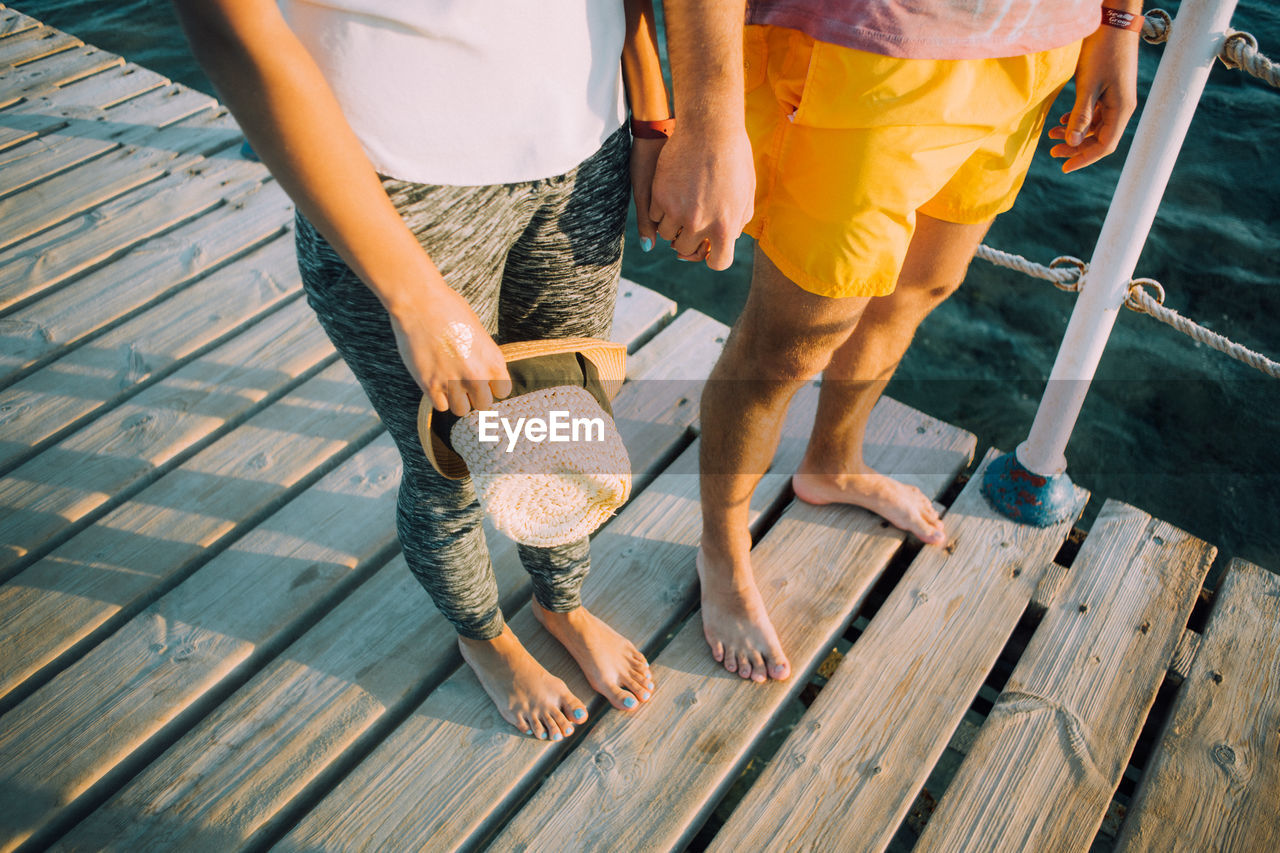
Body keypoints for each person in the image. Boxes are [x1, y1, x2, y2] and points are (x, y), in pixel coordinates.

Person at [171, 0, 672, 740]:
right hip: (398, 186)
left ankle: (559, 602)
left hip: (587, 153)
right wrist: (411, 294)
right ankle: (483, 635)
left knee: (563, 427)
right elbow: (229, 26)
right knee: (449, 465)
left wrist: (654, 115)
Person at [651, 0, 1141, 682]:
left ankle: (834, 461)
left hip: (1040, 45)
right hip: (874, 46)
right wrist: (708, 119)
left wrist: (1120, 25)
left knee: (920, 288)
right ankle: (722, 550)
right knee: (789, 343)